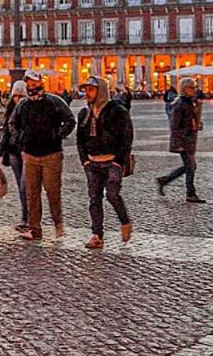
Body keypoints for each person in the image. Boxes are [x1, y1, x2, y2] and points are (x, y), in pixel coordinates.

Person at [8, 70, 76, 241]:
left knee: (53, 191)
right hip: (30, 155)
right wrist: (19, 139)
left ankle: (58, 223)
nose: (30, 87)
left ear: (40, 83)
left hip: (51, 154)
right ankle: (34, 228)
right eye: (28, 84)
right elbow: (12, 123)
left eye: (33, 83)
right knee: (32, 193)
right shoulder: (23, 104)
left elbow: (70, 119)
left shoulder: (54, 102)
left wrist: (57, 134)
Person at [75, 75, 133, 249]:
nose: (87, 93)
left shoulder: (116, 110)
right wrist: (84, 160)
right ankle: (97, 235)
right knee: (94, 199)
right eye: (86, 90)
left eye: (91, 90)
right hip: (92, 162)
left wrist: (119, 161)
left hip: (111, 161)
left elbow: (127, 136)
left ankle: (125, 221)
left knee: (113, 195)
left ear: (101, 91)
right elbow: (80, 139)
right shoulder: (84, 113)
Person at [157, 78, 206, 203]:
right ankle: (190, 193)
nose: (194, 90)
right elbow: (174, 125)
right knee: (191, 166)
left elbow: (191, 120)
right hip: (183, 140)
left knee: (189, 166)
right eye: (192, 88)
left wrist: (197, 124)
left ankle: (165, 180)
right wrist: (177, 143)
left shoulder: (189, 102)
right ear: (184, 89)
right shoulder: (180, 103)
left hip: (189, 139)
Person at [0, 81, 30, 234]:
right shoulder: (10, 111)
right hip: (14, 153)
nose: (17, 98)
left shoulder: (30, 110)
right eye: (15, 95)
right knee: (21, 188)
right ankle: (25, 216)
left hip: (28, 153)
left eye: (20, 95)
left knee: (25, 186)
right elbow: (6, 134)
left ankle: (30, 217)